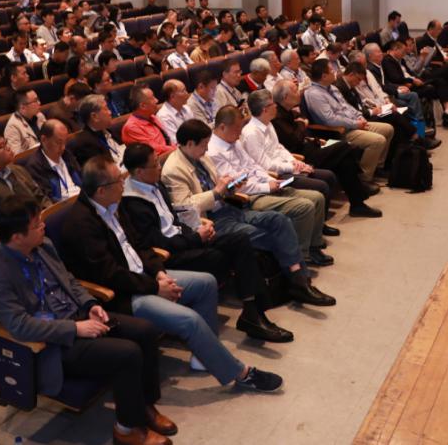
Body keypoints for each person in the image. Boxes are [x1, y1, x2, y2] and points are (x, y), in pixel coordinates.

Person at [59, 155, 284, 393]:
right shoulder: (80, 224)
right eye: (118, 180)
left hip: (144, 277)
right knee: (189, 320)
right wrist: (155, 287)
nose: (124, 183)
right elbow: (111, 275)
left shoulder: (113, 205)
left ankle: (204, 356)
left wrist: (159, 274)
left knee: (206, 283)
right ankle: (241, 373)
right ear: (102, 190)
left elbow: (141, 246)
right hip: (123, 295)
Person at [0, 197, 176, 445]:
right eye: (36, 224)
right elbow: (20, 326)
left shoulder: (43, 245)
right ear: (17, 237)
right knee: (128, 354)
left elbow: (70, 280)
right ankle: (126, 430)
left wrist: (90, 305)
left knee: (145, 331)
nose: (43, 226)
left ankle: (143, 406)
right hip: (53, 343)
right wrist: (74, 329)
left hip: (79, 316)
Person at [120, 143, 293, 342]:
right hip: (169, 254)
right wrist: (195, 238)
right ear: (139, 171)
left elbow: (173, 219)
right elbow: (157, 242)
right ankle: (253, 314)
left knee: (239, 240)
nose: (160, 167)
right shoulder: (133, 201)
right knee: (223, 256)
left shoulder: (154, 183)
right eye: (155, 165)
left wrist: (197, 227)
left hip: (184, 239)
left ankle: (253, 312)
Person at [162, 120, 334, 307]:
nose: (207, 149)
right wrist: (217, 192)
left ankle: (298, 280)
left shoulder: (201, 157)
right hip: (209, 221)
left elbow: (216, 184)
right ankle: (299, 280)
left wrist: (229, 186)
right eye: (204, 144)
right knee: (270, 236)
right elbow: (185, 207)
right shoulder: (173, 170)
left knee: (279, 220)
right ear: (189, 143)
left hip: (229, 208)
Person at [208, 106, 333, 265]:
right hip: (249, 197)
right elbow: (237, 185)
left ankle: (313, 246)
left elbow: (253, 166)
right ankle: (301, 256)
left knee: (317, 197)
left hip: (264, 185)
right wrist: (267, 187)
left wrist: (270, 180)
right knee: (305, 206)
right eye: (237, 128)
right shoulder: (213, 152)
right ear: (222, 127)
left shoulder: (234, 141)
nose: (240, 133)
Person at [245, 88, 382, 218]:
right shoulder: (252, 133)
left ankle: (357, 205)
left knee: (343, 159)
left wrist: (294, 161)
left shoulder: (267, 123)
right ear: (265, 109)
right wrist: (293, 166)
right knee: (343, 150)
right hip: (278, 174)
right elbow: (266, 165)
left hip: (294, 160)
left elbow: (279, 148)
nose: (275, 105)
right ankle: (329, 218)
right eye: (272, 104)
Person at [303, 59, 393, 182]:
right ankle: (363, 178)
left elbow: (346, 107)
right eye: (331, 70)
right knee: (378, 141)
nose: (335, 72)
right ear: (324, 76)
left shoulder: (332, 88)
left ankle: (377, 166)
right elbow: (330, 119)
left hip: (352, 123)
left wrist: (360, 117)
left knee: (388, 129)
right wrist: (356, 124)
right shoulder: (314, 94)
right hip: (338, 131)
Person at [22, 119, 82, 202]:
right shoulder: (35, 166)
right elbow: (47, 200)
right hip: (63, 206)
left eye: (65, 142)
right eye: (58, 142)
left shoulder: (66, 155)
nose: (63, 147)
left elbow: (81, 178)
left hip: (81, 199)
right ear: (44, 140)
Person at [67, 95, 125, 168]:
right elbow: (102, 170)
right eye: (106, 109)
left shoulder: (110, 131)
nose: (110, 112)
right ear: (94, 116)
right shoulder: (85, 144)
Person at [121, 86, 175, 156]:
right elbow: (153, 150)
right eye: (152, 98)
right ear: (143, 106)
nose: (157, 100)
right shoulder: (131, 128)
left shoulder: (152, 117)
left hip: (170, 154)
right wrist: (177, 149)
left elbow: (168, 139)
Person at [4, 87, 46, 155]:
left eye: (38, 99)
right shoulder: (12, 127)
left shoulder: (39, 116)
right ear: (23, 107)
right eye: (35, 101)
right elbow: (16, 157)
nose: (39, 103)